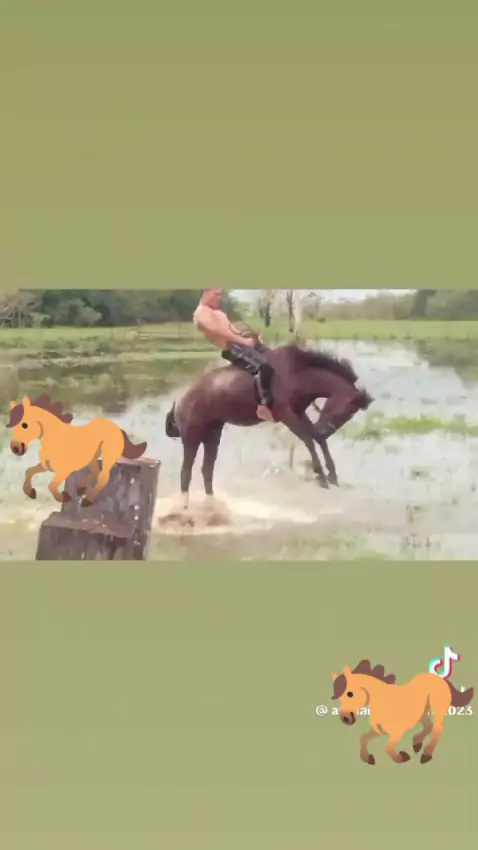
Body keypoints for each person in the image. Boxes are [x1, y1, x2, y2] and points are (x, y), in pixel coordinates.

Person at [193, 289, 276, 421]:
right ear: (205, 293)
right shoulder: (201, 314)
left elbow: (233, 331)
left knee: (274, 358)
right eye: (216, 294)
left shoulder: (218, 312)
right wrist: (244, 341)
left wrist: (249, 337)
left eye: (220, 294)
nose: (219, 297)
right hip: (233, 349)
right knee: (263, 366)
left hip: (240, 344)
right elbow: (221, 333)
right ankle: (264, 405)